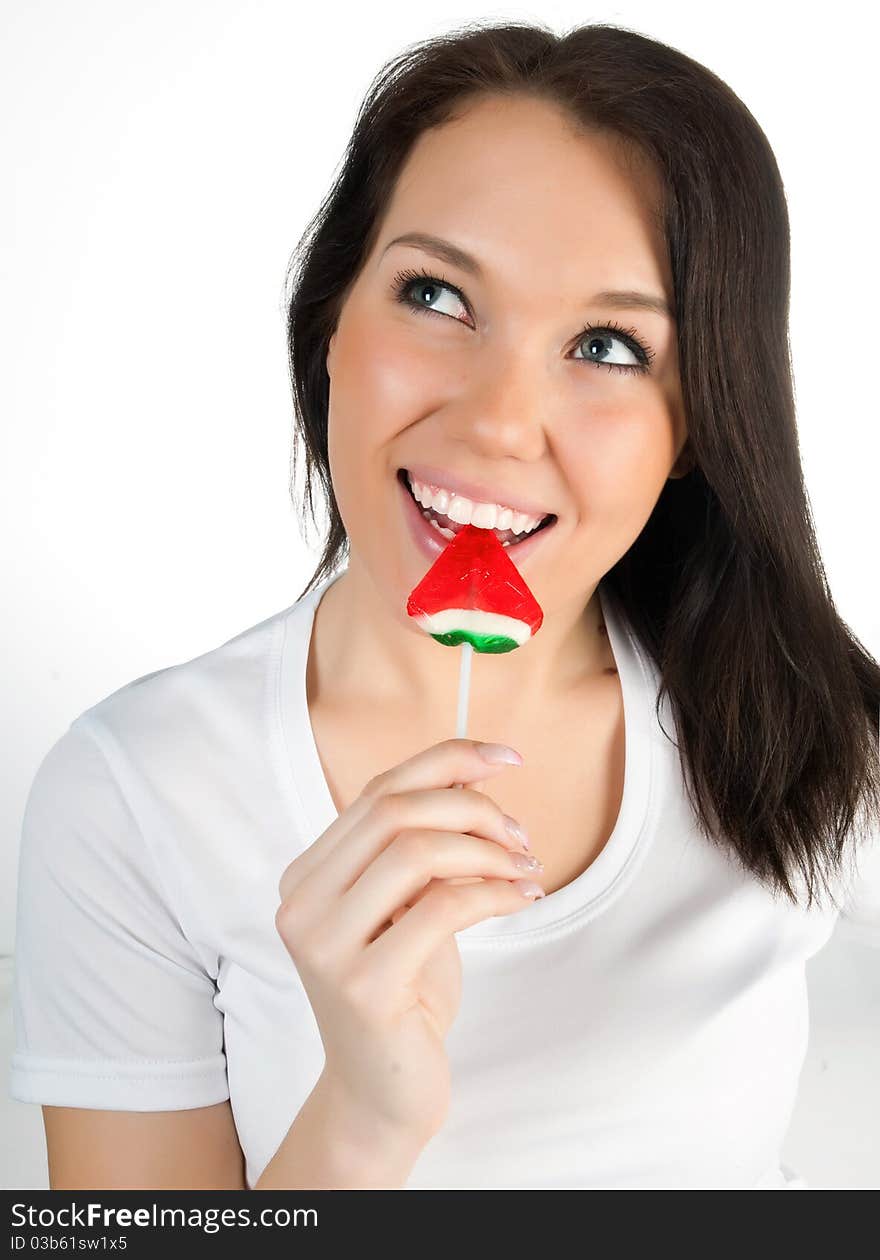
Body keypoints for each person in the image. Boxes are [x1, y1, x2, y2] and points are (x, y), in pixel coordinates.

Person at [10, 20, 880, 1191]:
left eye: (609, 346)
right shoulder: (130, 795)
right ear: (329, 323)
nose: (494, 422)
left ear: (695, 428)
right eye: (435, 293)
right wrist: (366, 1118)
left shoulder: (808, 732)